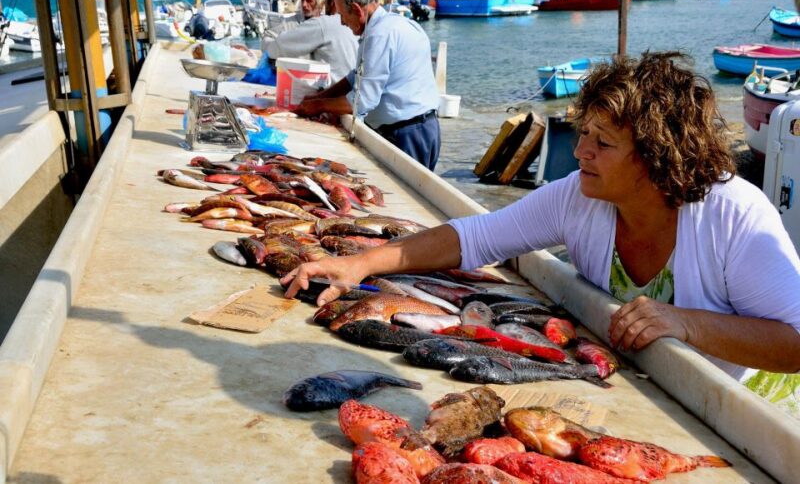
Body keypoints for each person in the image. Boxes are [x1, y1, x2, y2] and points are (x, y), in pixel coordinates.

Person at [282, 52, 800, 381]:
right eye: (583, 136)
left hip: (737, 404)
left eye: (603, 143)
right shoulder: (579, 196)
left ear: (655, 154)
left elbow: (794, 344)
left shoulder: (732, 216)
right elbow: (474, 238)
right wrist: (362, 264)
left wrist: (685, 324)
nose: (580, 154)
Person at [294, 0, 441, 171]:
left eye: (342, 15)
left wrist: (318, 106)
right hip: (425, 128)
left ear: (356, 9)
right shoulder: (399, 24)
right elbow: (355, 76)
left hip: (409, 133)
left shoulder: (379, 35)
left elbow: (361, 101)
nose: (342, 22)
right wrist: (319, 96)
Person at [264, 0, 359, 83]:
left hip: (329, 87)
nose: (304, 5)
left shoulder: (322, 24)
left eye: (309, 1)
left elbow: (277, 47)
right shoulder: (351, 25)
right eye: (302, 0)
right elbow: (270, 40)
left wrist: (274, 51)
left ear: (322, 3)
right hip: (347, 86)